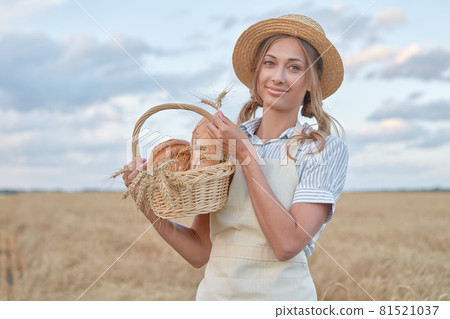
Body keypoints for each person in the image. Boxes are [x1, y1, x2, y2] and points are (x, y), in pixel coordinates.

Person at [123, 14, 348, 301]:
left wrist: (244, 153)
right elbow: (200, 251)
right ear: (256, 73)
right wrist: (146, 203)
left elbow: (287, 244)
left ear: (311, 84)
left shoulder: (322, 149)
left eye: (294, 67)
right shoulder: (218, 143)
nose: (278, 76)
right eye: (270, 63)